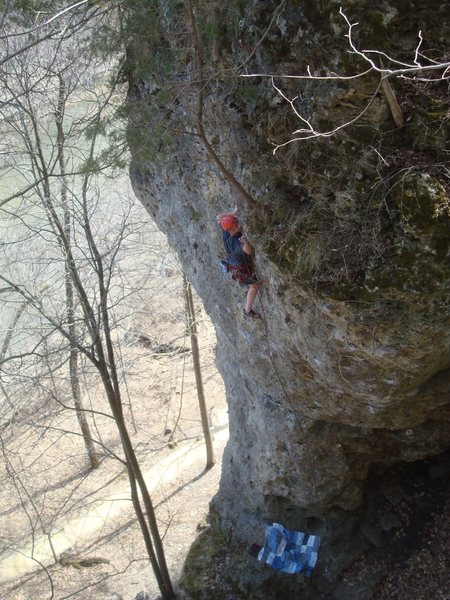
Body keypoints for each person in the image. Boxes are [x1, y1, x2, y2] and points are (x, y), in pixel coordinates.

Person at [218, 210, 261, 319]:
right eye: (236, 224)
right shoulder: (238, 240)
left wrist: (231, 214)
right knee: (254, 286)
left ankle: (248, 307)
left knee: (251, 285)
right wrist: (245, 242)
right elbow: (249, 251)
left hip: (233, 265)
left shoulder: (225, 230)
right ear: (231, 229)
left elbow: (218, 217)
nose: (239, 225)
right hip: (241, 269)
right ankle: (247, 310)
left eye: (237, 223)